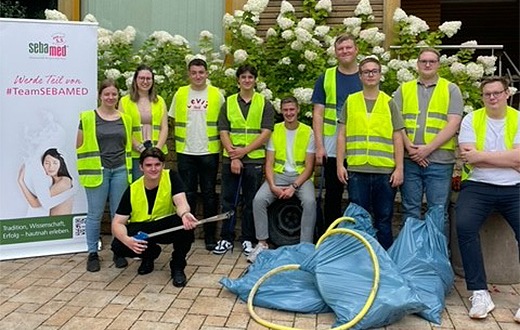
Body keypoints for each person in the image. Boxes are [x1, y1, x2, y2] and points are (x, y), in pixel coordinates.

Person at [455, 76, 520, 320]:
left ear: (506, 94)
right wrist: (508, 158)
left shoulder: (518, 118)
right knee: (464, 226)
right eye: (487, 94)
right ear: (482, 97)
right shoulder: (472, 118)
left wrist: (484, 156)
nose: (492, 97)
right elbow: (469, 157)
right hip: (478, 186)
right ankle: (480, 292)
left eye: (497, 93)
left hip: (514, 187)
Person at [336, 57, 404, 249]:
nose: (371, 75)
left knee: (384, 220)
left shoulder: (389, 103)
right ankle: (361, 261)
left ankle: (384, 263)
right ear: (360, 76)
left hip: (385, 173)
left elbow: (398, 136)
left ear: (380, 75)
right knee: (358, 221)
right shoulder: (351, 101)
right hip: (357, 171)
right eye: (366, 71)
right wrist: (340, 164)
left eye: (374, 71)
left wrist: (399, 168)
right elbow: (341, 134)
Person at [394, 48, 463, 233]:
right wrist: (410, 148)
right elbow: (396, 122)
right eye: (423, 61)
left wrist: (427, 149)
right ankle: (410, 258)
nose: (427, 64)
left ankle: (438, 258)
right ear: (417, 64)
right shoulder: (404, 89)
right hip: (410, 161)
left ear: (438, 65)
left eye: (432, 61)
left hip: (440, 162)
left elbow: (453, 124)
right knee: (410, 211)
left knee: (438, 212)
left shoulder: (451, 89)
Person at [111, 147, 198, 287]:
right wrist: (128, 240)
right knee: (118, 245)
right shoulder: (133, 189)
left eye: (157, 165)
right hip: (143, 230)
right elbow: (117, 223)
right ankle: (149, 256)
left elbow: (181, 202)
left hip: (165, 226)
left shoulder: (171, 176)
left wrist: (185, 213)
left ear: (163, 165)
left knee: (185, 225)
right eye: (148, 165)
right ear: (141, 167)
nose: (153, 169)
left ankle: (177, 266)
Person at [213, 64, 275, 256]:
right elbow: (223, 131)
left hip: (254, 159)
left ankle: (248, 238)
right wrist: (234, 155)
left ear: (255, 80)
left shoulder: (264, 103)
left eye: (250, 77)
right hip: (231, 159)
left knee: (251, 201)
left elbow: (266, 132)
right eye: (243, 77)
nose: (247, 80)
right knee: (228, 200)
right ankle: (226, 238)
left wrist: (245, 151)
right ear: (238, 80)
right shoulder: (229, 103)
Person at [249, 97, 316, 262]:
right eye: (285, 110)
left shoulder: (308, 131)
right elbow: (269, 163)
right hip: (278, 175)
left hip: (300, 178)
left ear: (298, 109)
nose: (289, 113)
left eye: (292, 109)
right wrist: (272, 185)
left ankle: (305, 247)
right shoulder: (275, 130)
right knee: (258, 200)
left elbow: (309, 167)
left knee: (309, 202)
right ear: (281, 111)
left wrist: (294, 187)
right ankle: (262, 243)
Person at [76, 79, 133, 272]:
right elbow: (79, 145)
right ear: (100, 95)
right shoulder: (87, 117)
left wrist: (146, 149)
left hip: (120, 170)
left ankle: (118, 251)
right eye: (107, 94)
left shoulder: (125, 118)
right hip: (97, 172)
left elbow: (131, 142)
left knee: (119, 214)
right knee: (95, 214)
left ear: (118, 96)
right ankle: (93, 253)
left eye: (114, 94)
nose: (110, 97)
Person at [168, 58, 225, 251]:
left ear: (207, 73)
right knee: (188, 194)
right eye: (194, 73)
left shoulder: (217, 95)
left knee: (209, 194)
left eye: (201, 72)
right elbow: (173, 120)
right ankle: (188, 233)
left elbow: (223, 123)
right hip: (186, 151)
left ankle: (210, 236)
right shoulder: (181, 93)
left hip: (209, 151)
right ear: (189, 74)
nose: (198, 76)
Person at [311, 33, 362, 230]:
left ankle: (356, 238)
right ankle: (330, 238)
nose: (345, 51)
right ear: (335, 52)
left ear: (356, 50)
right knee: (332, 195)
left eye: (348, 47)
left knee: (358, 197)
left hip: (359, 146)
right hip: (332, 147)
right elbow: (318, 114)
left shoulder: (365, 75)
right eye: (341, 49)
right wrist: (319, 146)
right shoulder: (326, 77)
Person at [119, 64, 169, 181]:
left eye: (148, 78)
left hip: (157, 153)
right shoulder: (125, 101)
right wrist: (141, 148)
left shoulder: (160, 101)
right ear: (135, 80)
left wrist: (157, 149)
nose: (145, 81)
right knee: (138, 187)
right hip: (136, 154)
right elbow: (123, 128)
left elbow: (164, 127)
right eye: (141, 78)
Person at [18, 148, 74, 216]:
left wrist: (21, 181)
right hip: (54, 223)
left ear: (61, 164)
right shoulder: (52, 182)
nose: (51, 166)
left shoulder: (64, 181)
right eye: (47, 163)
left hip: (60, 224)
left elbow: (35, 204)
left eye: (55, 163)